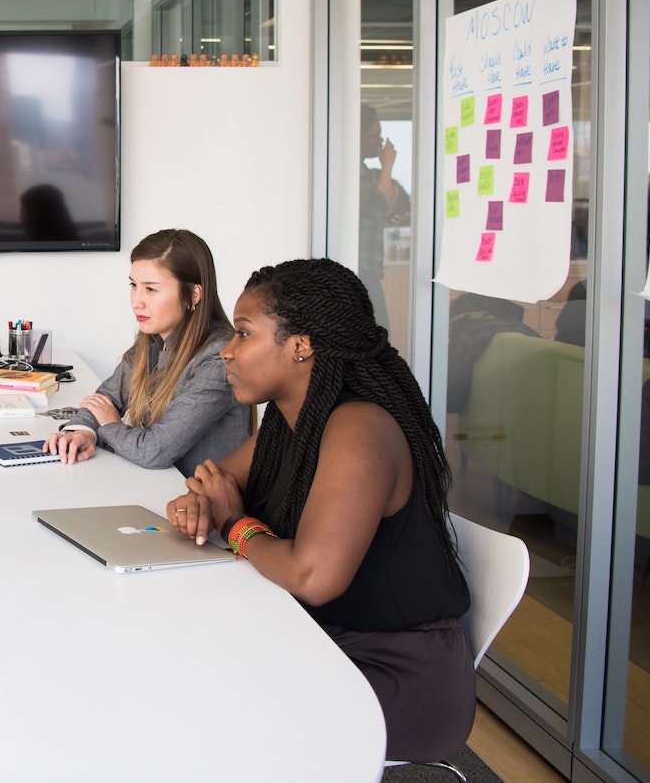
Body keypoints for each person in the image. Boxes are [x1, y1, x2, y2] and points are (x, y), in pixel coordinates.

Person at [169, 258, 474, 763]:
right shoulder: (293, 421)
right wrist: (197, 505)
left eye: (244, 335)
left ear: (302, 344)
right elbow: (209, 483)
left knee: (198, 704)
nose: (226, 350)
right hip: (315, 636)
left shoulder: (360, 428)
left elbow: (313, 577)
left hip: (389, 674)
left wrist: (233, 523)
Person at [43, 228, 247, 473]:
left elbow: (154, 451)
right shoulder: (152, 340)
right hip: (163, 489)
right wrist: (81, 432)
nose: (136, 301)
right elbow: (105, 398)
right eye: (134, 285)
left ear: (194, 294)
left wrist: (109, 424)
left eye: (151, 289)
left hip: (200, 503)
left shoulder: (218, 359)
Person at [360, 105, 412, 326]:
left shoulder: (367, 174)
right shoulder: (351, 173)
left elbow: (396, 206)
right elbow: (375, 207)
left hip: (368, 267)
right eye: (374, 136)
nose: (380, 142)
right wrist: (388, 165)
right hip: (361, 269)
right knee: (378, 330)